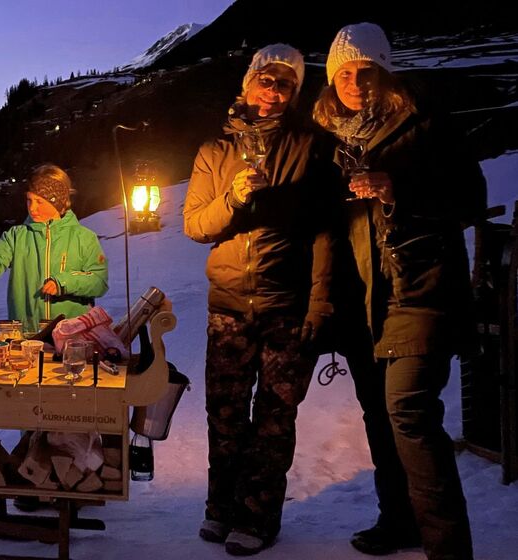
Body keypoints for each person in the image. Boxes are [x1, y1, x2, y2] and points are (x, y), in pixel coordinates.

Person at [313, 23, 485, 560]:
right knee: (379, 414)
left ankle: (447, 548)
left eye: (367, 69)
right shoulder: (327, 141)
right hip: (362, 299)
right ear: (331, 79)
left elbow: (470, 198)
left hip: (420, 288)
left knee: (408, 409)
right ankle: (399, 520)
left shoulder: (425, 124)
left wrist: (398, 189)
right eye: (345, 72)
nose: (356, 81)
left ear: (385, 72)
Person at [183, 44, 335, 556]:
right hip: (227, 306)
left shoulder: (311, 147)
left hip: (284, 306)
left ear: (294, 94)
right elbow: (195, 226)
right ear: (248, 84)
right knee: (224, 415)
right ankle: (219, 508)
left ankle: (258, 516)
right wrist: (233, 199)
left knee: (274, 417)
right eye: (265, 82)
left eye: (284, 85)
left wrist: (319, 303)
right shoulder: (214, 151)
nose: (272, 93)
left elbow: (323, 233)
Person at [0, 164, 108, 333]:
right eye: (29, 200)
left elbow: (99, 282)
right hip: (27, 338)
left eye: (39, 201)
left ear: (57, 202)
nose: (32, 208)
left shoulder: (84, 238)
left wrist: (64, 282)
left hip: (72, 336)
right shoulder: (17, 236)